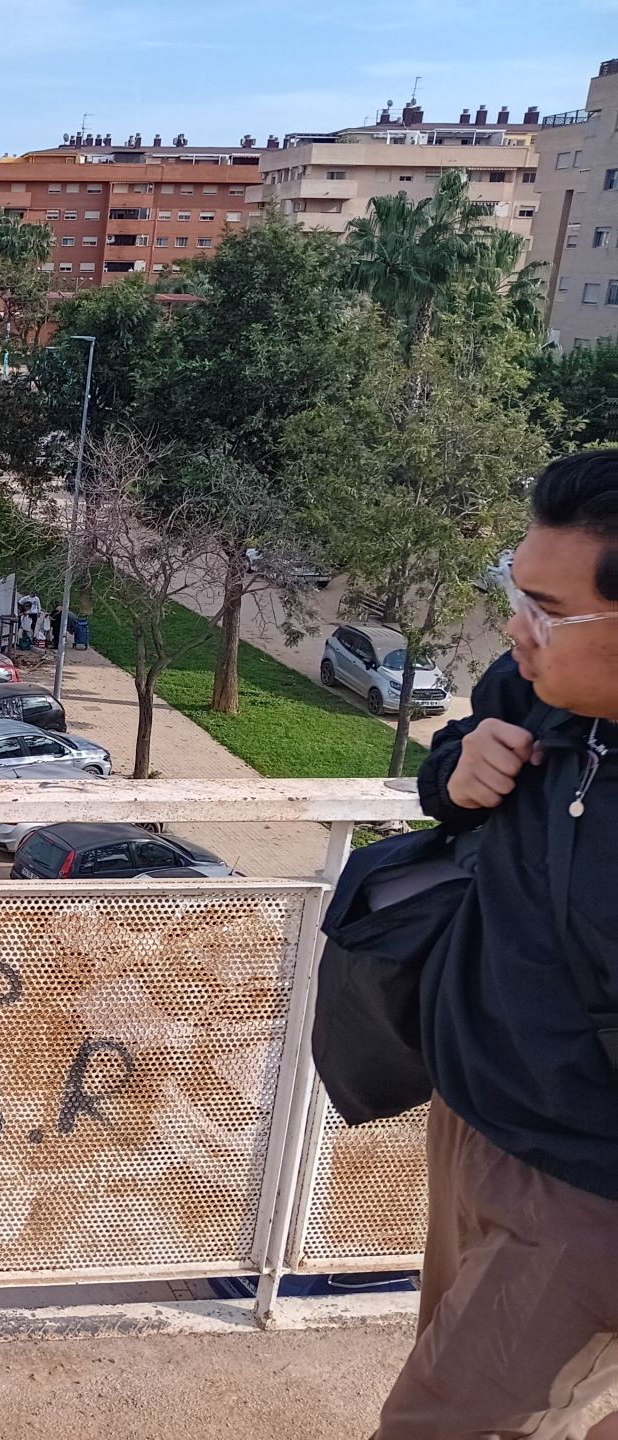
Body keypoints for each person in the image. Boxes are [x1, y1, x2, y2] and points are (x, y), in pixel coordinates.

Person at [374, 448, 618, 1439]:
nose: (518, 628)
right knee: (454, 1373)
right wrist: (455, 768)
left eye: (548, 609)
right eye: (517, 594)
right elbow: (452, 775)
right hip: (470, 1119)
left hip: (579, 1190)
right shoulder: (534, 691)